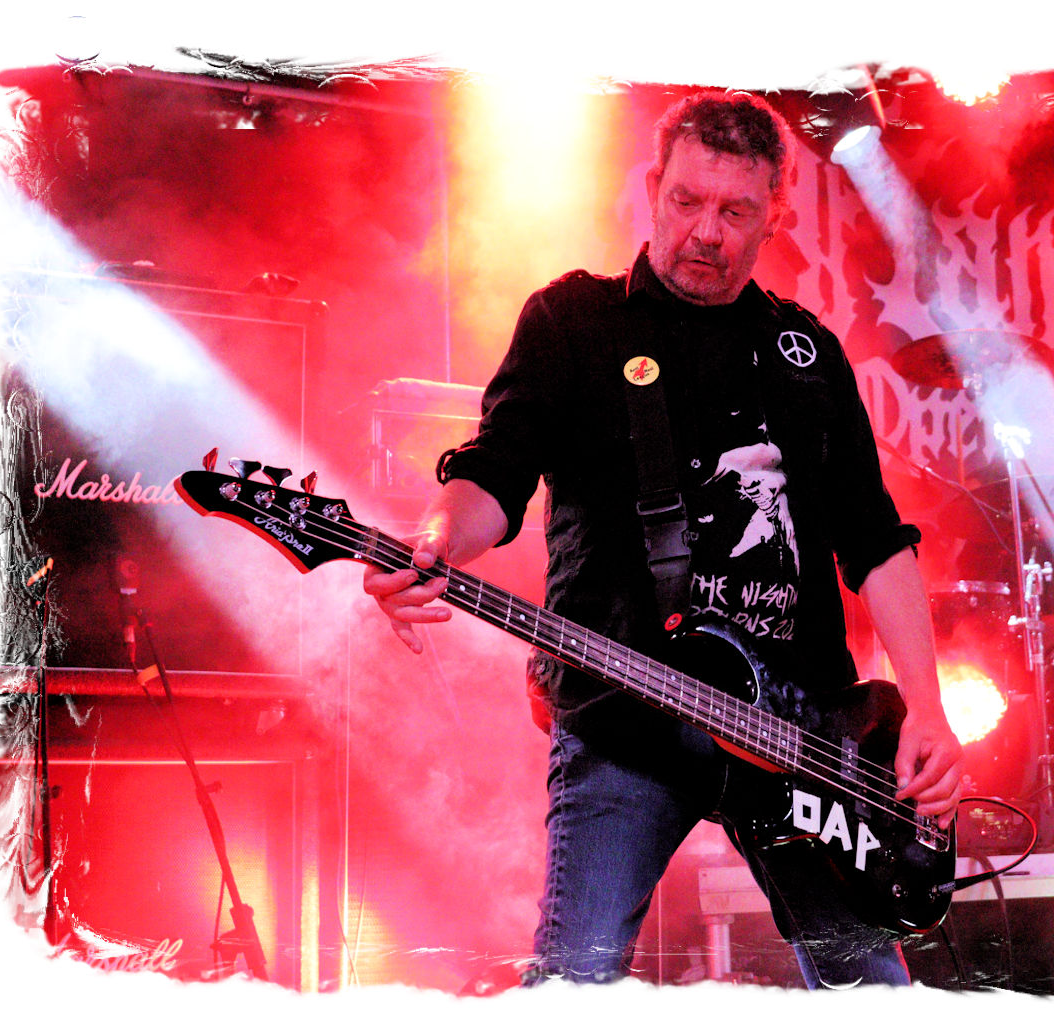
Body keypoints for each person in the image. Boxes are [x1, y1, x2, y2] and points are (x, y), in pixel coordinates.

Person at [363, 91, 965, 989]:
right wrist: (437, 542)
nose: (705, 232)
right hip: (627, 721)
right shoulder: (575, 323)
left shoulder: (803, 354)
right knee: (573, 986)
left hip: (803, 734)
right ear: (652, 189)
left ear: (775, 216)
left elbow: (874, 541)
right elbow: (495, 473)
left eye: (735, 212)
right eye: (687, 201)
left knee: (872, 994)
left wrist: (926, 707)